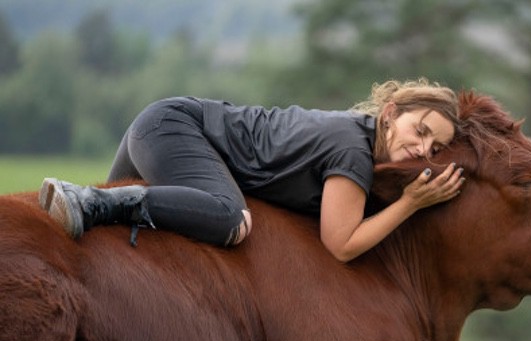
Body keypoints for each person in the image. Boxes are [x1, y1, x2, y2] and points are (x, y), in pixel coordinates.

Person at [39, 79, 465, 262]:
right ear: (390, 114)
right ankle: (86, 197)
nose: (423, 149)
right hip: (175, 128)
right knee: (230, 216)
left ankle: (72, 212)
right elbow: (341, 244)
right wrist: (410, 203)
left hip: (161, 124)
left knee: (97, 246)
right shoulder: (352, 151)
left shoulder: (357, 135)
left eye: (436, 147)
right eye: (420, 130)